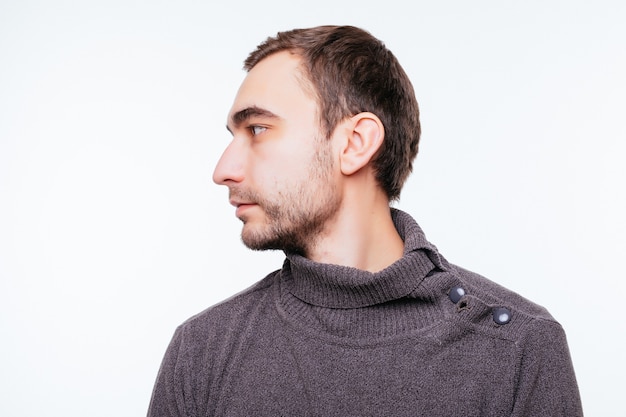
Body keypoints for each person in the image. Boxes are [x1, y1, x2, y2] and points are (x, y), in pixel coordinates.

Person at [147, 25, 583, 416]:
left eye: (258, 129)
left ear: (355, 143)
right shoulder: (201, 351)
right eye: (233, 137)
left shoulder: (519, 349)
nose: (223, 169)